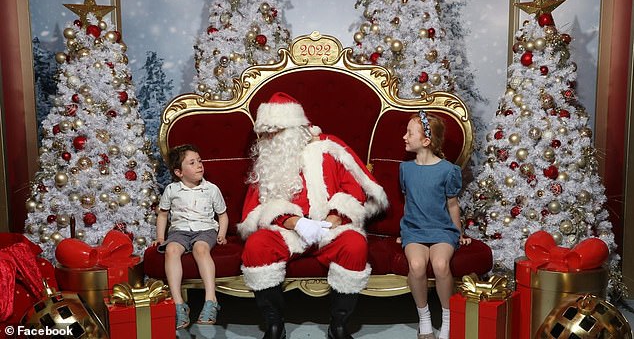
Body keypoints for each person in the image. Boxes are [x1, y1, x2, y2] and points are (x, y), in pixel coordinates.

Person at [238, 92, 388, 339]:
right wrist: (295, 222)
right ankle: (274, 324)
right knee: (256, 246)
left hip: (331, 229)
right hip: (288, 231)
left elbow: (353, 189)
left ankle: (339, 324)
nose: (269, 139)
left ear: (293, 128)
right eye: (265, 133)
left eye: (275, 132)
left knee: (355, 244)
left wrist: (332, 221)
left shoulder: (328, 148)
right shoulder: (268, 160)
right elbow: (259, 207)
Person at [400, 111, 471, 339]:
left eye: (409, 133)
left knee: (441, 265)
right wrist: (404, 231)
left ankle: (448, 318)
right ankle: (424, 318)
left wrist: (458, 233)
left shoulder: (448, 170)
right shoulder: (406, 169)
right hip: (414, 230)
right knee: (417, 265)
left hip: (442, 230)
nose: (404, 137)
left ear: (426, 141)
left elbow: (452, 205)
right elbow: (408, 201)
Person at [153, 144, 229, 329]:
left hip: (205, 230)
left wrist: (221, 234)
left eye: (200, 161)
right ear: (179, 172)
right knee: (171, 249)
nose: (199, 165)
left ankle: (211, 300)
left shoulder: (211, 189)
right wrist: (161, 237)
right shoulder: (172, 190)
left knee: (200, 249)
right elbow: (163, 214)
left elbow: (222, 215)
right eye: (192, 163)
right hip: (179, 231)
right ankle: (179, 304)